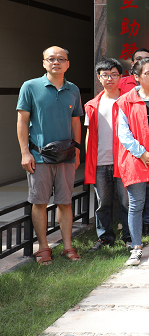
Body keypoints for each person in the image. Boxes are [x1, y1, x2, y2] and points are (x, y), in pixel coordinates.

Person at [17, 46, 83, 264]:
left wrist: (77, 150)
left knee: (65, 202)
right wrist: (25, 152)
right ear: (44, 63)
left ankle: (67, 246)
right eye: (51, 59)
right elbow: (22, 121)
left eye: (61, 59)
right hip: (39, 156)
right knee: (40, 202)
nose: (56, 62)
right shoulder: (30, 87)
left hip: (66, 156)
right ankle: (43, 248)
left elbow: (76, 122)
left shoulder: (73, 89)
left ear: (68, 64)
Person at [116, 58, 149, 266]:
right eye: (148, 73)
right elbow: (123, 133)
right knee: (136, 205)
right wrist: (143, 154)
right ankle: (136, 248)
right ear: (136, 77)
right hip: (136, 160)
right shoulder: (125, 100)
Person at [85, 58, 130, 250]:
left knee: (127, 202)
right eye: (105, 75)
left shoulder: (128, 101)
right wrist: (89, 160)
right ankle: (105, 237)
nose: (109, 78)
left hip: (124, 161)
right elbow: (89, 134)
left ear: (121, 77)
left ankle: (130, 237)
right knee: (102, 202)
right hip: (100, 161)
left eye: (113, 74)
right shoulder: (92, 105)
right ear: (99, 77)